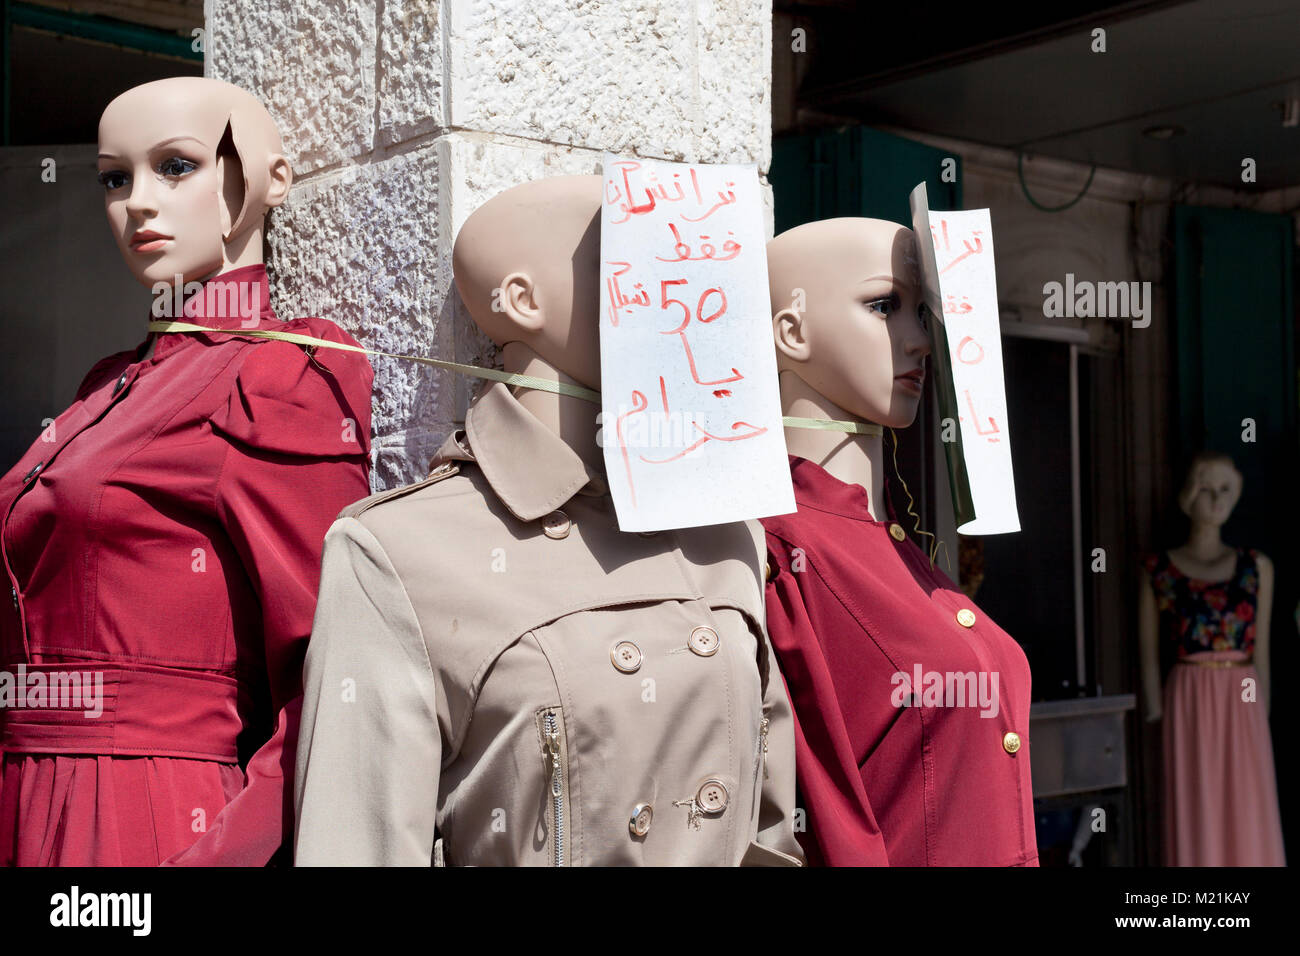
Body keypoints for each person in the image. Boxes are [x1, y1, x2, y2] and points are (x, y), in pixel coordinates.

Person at [0, 77, 373, 866]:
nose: (137, 202)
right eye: (114, 177)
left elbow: (336, 668)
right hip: (28, 797)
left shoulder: (276, 377)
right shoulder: (107, 386)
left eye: (176, 166)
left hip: (142, 818)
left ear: (271, 178)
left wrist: (226, 856)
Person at [759, 217, 1038, 865]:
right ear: (791, 332)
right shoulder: (780, 550)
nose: (919, 339)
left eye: (922, 311)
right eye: (884, 306)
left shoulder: (892, 543)